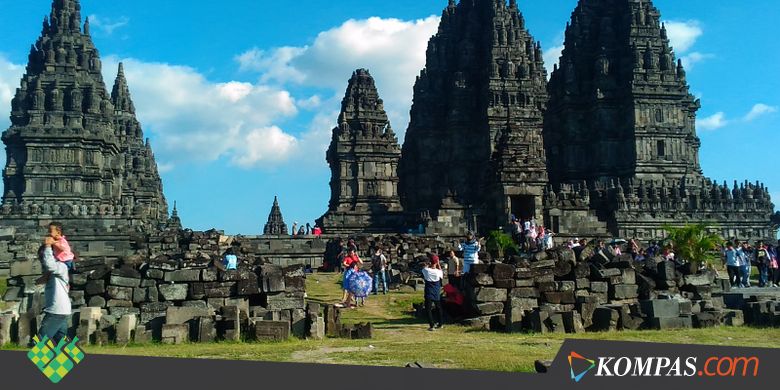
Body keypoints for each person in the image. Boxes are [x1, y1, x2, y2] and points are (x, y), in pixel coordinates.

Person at [35, 236, 71, 345]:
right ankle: (71, 360)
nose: (43, 261)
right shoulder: (54, 272)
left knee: (40, 342)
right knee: (62, 342)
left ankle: (39, 362)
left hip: (56, 311)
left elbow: (50, 265)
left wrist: (47, 246)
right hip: (60, 310)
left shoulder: (61, 266)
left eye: (43, 257)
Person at [421, 262, 444, 331]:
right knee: (438, 308)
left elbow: (423, 268)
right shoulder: (438, 271)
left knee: (428, 309)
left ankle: (432, 325)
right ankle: (441, 323)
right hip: (436, 291)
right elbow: (441, 275)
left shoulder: (427, 270)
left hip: (429, 290)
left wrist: (427, 265)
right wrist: (438, 264)